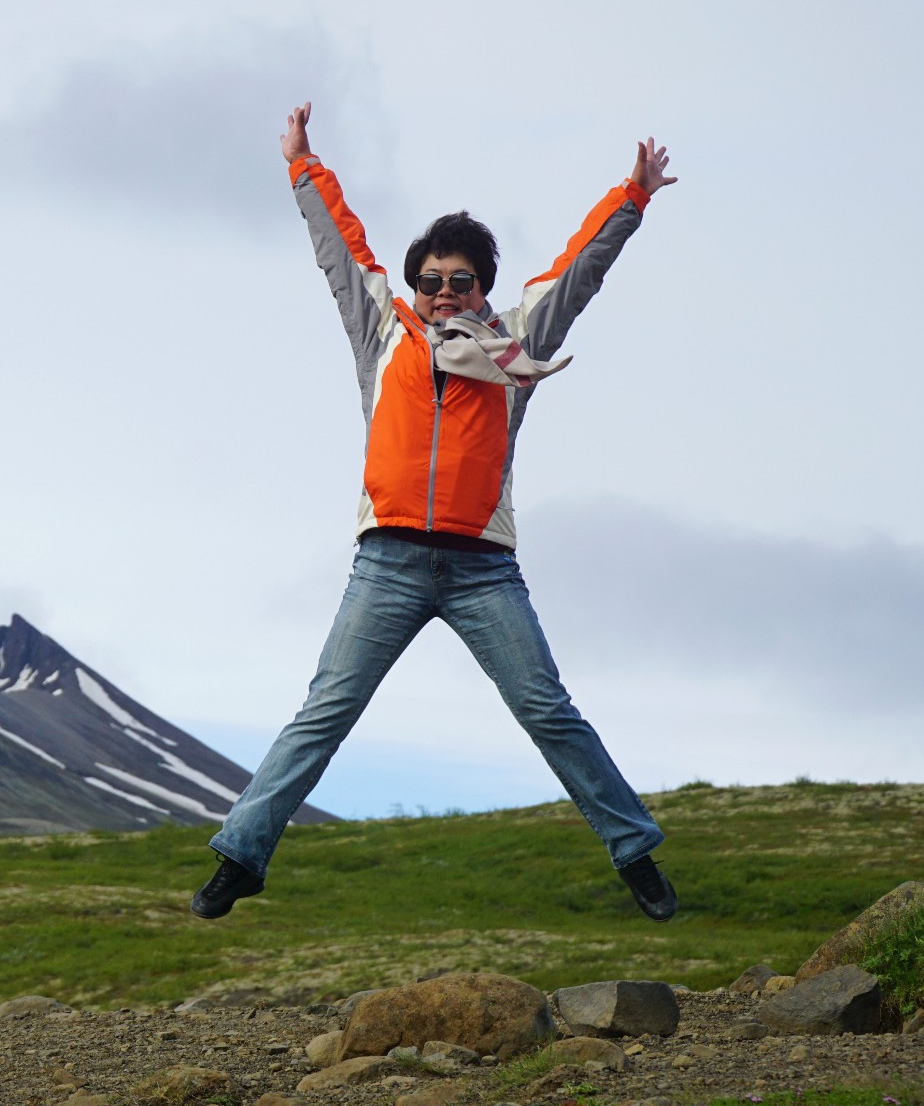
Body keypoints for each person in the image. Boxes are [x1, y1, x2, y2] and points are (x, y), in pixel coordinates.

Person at [191, 101, 680, 922]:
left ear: (482, 286)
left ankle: (635, 852)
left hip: (483, 568)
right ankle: (239, 858)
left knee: (547, 709)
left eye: (461, 280)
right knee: (323, 713)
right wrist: (303, 165)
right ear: (414, 287)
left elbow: (578, 268)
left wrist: (631, 197)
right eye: (432, 280)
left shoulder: (517, 341)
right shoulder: (383, 330)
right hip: (385, 562)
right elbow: (339, 248)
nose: (444, 291)